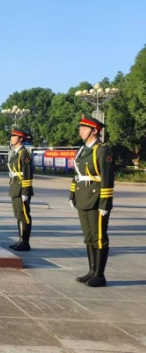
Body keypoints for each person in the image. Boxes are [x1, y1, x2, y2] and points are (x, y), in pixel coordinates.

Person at [70, 115, 115, 287]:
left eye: (84, 128)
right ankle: (91, 271)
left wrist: (105, 203)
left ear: (94, 130)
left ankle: (99, 275)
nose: (81, 131)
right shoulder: (82, 150)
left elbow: (107, 178)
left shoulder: (102, 150)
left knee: (99, 237)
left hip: (96, 198)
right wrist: (72, 194)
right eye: (80, 128)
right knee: (88, 236)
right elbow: (77, 174)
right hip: (83, 196)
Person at [7, 127, 34, 251]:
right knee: (18, 214)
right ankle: (20, 240)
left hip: (21, 189)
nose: (11, 138)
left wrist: (25, 192)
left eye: (14, 136)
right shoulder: (16, 153)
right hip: (15, 187)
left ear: (20, 139)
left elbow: (27, 174)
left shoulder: (24, 154)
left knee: (24, 215)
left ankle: (25, 242)